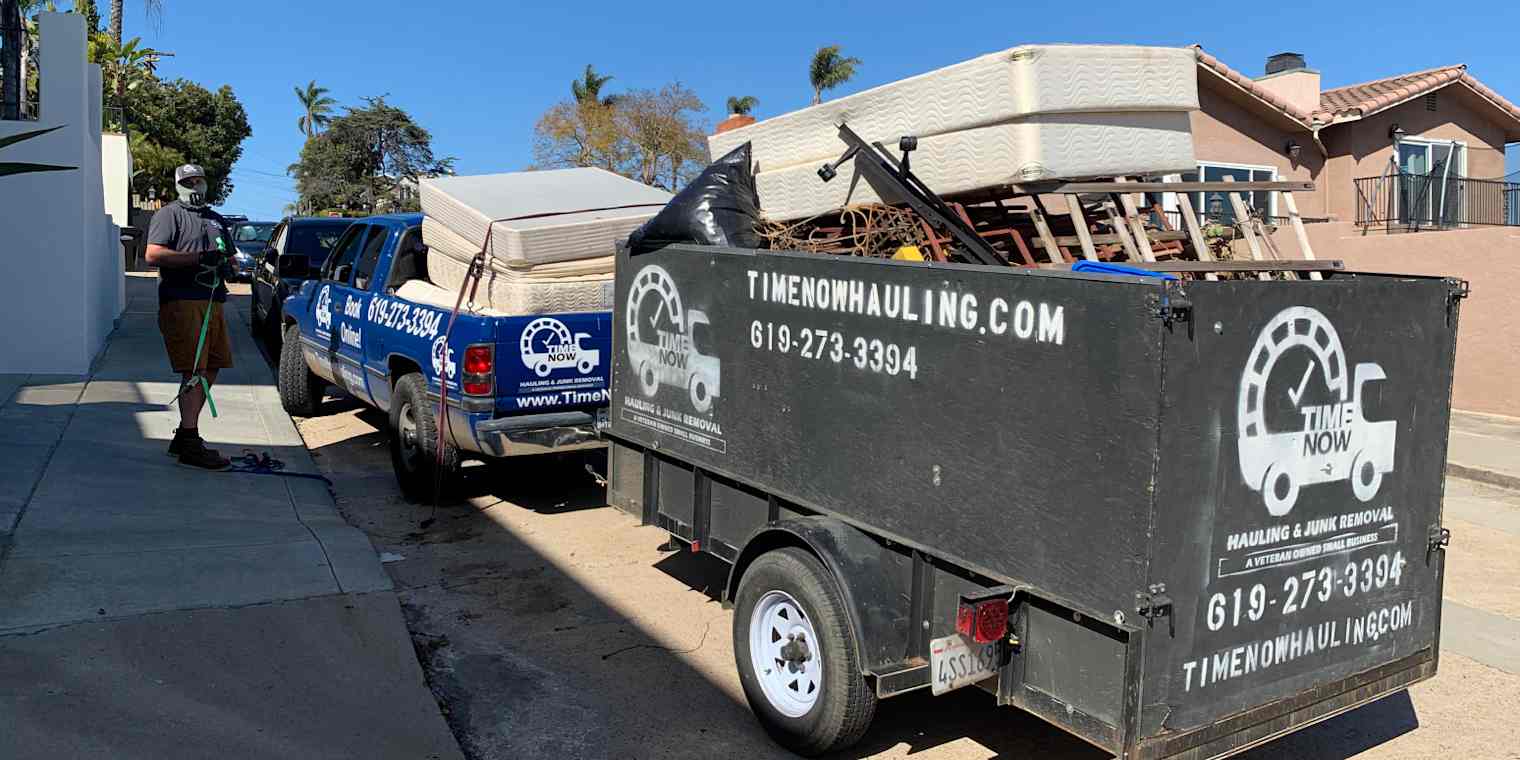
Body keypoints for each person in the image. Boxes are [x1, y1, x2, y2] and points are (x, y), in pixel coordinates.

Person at [144, 164, 237, 469]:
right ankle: (190, 442)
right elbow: (152, 254)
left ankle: (185, 433)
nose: (194, 186)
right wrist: (198, 258)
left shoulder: (215, 219)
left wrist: (228, 265)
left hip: (213, 300)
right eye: (188, 182)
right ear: (178, 186)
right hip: (182, 300)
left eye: (198, 181)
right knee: (195, 370)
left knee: (213, 366)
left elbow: (230, 255)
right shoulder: (169, 215)